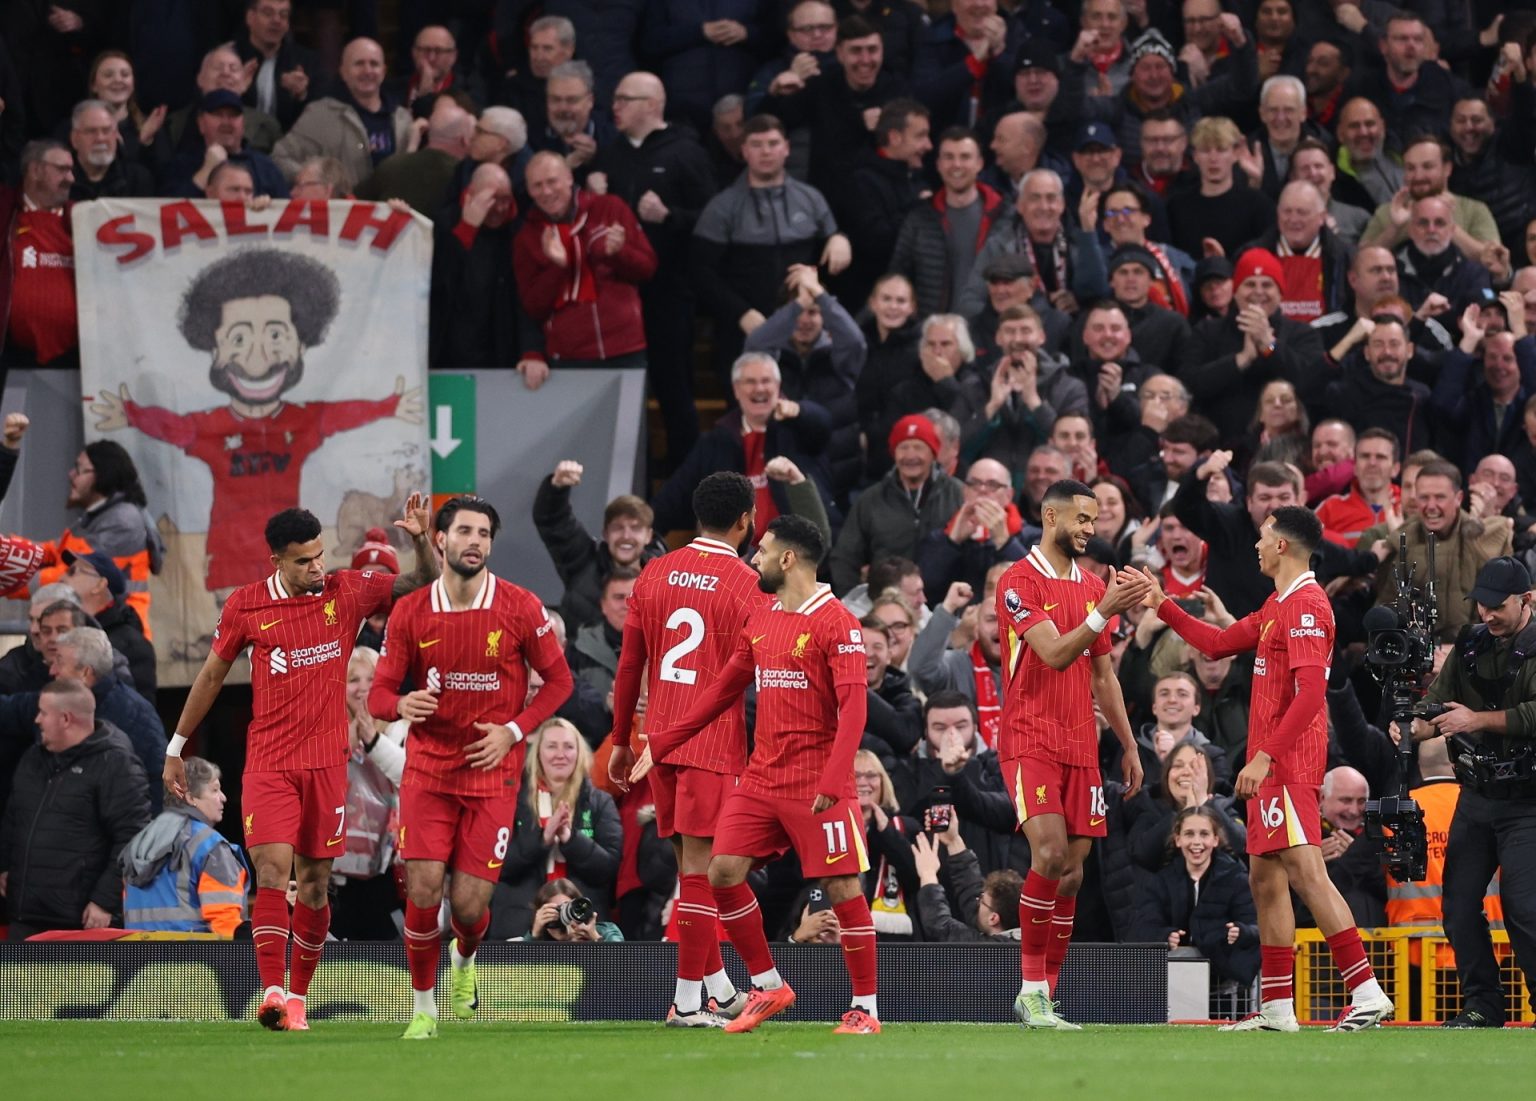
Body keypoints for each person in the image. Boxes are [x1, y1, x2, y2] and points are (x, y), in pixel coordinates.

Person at [162, 499, 436, 1032]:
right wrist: (176, 746)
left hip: (327, 764)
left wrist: (422, 540)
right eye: (304, 560)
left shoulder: (346, 591)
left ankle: (297, 998)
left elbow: (421, 581)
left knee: (313, 884)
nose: (317, 567)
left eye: (319, 555)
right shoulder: (246, 606)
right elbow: (212, 677)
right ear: (276, 561)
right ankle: (270, 991)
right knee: (271, 873)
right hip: (270, 762)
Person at [1144, 506, 1394, 1030]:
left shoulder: (1307, 606)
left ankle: (1367, 991)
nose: (1255, 545)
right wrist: (1162, 604)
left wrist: (1265, 756)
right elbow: (1217, 643)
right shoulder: (1279, 603)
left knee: (1307, 874)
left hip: (1288, 764)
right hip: (1274, 766)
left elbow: (1310, 694)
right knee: (1264, 879)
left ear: (1282, 545)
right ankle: (1278, 1006)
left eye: (1262, 537)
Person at [630, 515, 881, 1035]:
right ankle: (768, 985)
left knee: (841, 885)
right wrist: (663, 742)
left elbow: (855, 711)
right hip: (763, 777)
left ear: (788, 559)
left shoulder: (838, 623)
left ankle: (865, 1009)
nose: (755, 558)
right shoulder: (763, 616)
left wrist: (834, 780)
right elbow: (721, 690)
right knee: (721, 872)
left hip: (818, 781)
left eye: (763, 550)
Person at [367, 495, 573, 1039]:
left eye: (483, 533)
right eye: (464, 531)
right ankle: (423, 1009)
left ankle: (464, 960)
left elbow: (560, 682)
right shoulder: (411, 611)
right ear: (441, 540)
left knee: (467, 906)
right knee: (422, 891)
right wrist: (401, 704)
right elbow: (378, 697)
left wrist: (513, 731)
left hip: (493, 776)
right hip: (428, 772)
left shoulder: (521, 606)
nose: (475, 541)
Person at [607, 472, 763, 1025]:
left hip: (658, 741)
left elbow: (630, 664)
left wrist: (622, 739)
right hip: (711, 745)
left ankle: (718, 988)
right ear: (745, 519)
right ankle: (687, 1000)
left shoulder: (654, 571)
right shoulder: (747, 583)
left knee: (687, 869)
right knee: (700, 873)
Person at [994, 478, 1150, 1028]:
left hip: (1081, 743)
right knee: (1051, 854)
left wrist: (1128, 744)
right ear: (1050, 516)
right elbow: (1056, 654)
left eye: (1094, 520)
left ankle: (1048, 995)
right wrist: (1104, 609)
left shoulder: (1090, 585)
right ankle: (1031, 989)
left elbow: (1102, 675)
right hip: (1029, 737)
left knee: (1073, 876)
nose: (1090, 529)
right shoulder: (1017, 581)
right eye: (1081, 519)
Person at [1406, 556, 1536, 1028]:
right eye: (1481, 604)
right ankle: (1483, 1004)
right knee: (1458, 907)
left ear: (1527, 600)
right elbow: (1437, 700)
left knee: (1524, 909)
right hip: (1477, 795)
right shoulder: (1470, 642)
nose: (1487, 614)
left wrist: (1474, 719)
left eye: (1497, 606)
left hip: (1528, 801)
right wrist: (1416, 725)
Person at [0, 679, 150, 939]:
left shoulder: (116, 765)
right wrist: (5, 866)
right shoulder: (32, 758)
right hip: (24, 917)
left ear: (66, 719)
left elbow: (134, 838)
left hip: (79, 923)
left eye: (43, 713)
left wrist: (105, 900)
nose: (37, 720)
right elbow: (13, 819)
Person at [514, 151, 658, 372]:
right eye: (537, 185)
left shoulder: (610, 207)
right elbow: (533, 306)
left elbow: (647, 268)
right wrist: (557, 268)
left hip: (624, 347)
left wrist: (619, 253)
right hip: (568, 354)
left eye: (552, 181)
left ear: (569, 178)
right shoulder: (528, 236)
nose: (546, 192)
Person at [490, 718, 622, 940]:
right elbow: (496, 865)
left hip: (581, 928)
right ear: (537, 753)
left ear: (579, 753)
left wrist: (570, 839)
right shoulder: (511, 801)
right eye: (552, 746)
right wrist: (543, 839)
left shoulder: (600, 802)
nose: (560, 754)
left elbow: (608, 868)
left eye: (568, 746)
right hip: (518, 923)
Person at [36, 441, 163, 641]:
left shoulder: (123, 521)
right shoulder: (96, 515)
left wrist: (15, 579)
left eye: (80, 469)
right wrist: (9, 550)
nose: (71, 474)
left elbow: (79, 575)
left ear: (104, 474)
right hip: (97, 630)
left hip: (119, 636)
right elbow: (52, 551)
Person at [1134, 806, 1259, 991]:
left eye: (1204, 834)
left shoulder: (1237, 878)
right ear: (1178, 839)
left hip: (1224, 986)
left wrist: (1241, 931)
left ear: (1215, 839)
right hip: (1172, 984)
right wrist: (1164, 936)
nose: (1197, 842)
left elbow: (1256, 926)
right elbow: (1143, 926)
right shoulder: (1161, 880)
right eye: (1189, 834)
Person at [121, 756, 248, 936]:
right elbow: (225, 924)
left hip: (137, 951)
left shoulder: (140, 842)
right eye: (214, 790)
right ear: (190, 797)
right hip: (191, 952)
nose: (223, 798)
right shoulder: (211, 847)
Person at [533, 461, 666, 631]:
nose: (626, 536)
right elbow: (553, 522)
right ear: (606, 534)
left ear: (648, 536)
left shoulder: (666, 576)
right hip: (579, 649)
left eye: (635, 528)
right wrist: (557, 488)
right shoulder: (583, 561)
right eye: (618, 528)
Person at [272, 37, 414, 194]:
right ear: (343, 72)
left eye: (374, 64)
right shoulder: (320, 114)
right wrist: (314, 183)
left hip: (392, 208)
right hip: (341, 208)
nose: (367, 71)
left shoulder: (403, 119)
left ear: (384, 71)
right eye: (359, 64)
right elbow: (280, 158)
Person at [47, 626, 165, 814]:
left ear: (85, 673)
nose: (52, 670)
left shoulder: (135, 714)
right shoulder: (54, 704)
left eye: (59, 662)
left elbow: (157, 782)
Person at [62, 550, 155, 702]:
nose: (61, 578)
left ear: (100, 585)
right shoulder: (63, 634)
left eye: (72, 572)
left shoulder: (131, 645)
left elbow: (139, 709)